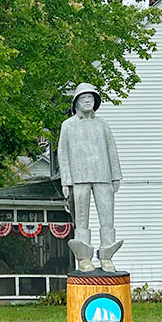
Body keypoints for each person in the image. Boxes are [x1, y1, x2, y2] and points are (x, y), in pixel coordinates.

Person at [57, 83, 123, 272]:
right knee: (82, 219)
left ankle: (107, 256)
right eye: (84, 98)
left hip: (103, 176)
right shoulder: (68, 125)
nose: (88, 101)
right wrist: (66, 180)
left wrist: (115, 175)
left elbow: (112, 149)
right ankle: (84, 258)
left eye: (91, 98)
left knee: (107, 218)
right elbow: (63, 153)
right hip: (78, 178)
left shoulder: (103, 124)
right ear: (76, 102)